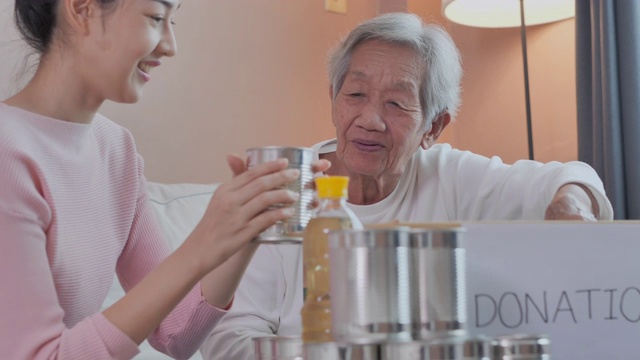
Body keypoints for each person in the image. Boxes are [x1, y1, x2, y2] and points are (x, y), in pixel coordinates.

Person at [199, 12, 614, 359]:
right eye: (356, 93)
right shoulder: (284, 191)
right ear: (333, 98)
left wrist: (570, 207)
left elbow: (569, 178)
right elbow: (225, 341)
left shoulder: (449, 175)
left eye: (396, 103)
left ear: (434, 126)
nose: (370, 119)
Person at [0, 0, 330, 359]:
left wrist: (247, 228)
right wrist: (201, 244)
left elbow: (176, 334)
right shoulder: (8, 153)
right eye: (157, 18)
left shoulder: (116, 149)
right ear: (82, 9)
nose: (170, 45)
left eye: (173, 22)